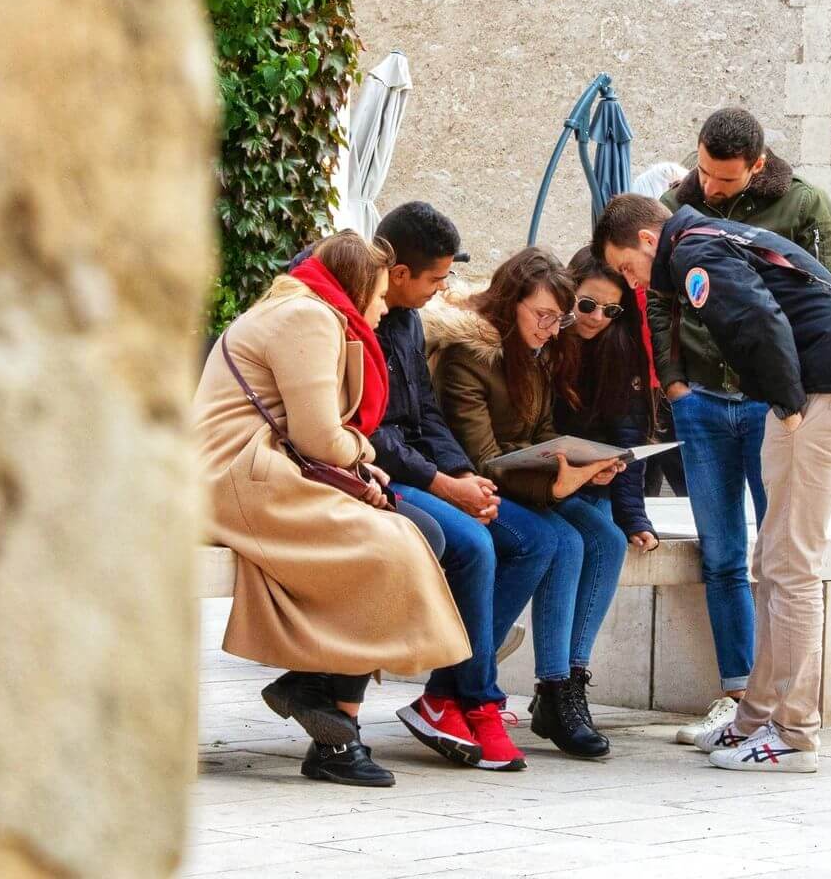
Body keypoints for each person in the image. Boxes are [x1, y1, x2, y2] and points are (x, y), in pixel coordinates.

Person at [594, 194, 831, 773]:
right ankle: (754, 720)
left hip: (820, 399)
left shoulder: (693, 250)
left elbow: (756, 319)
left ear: (649, 241)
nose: (634, 282)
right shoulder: (717, 234)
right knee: (773, 562)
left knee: (793, 568)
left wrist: (788, 405)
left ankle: (795, 735)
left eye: (628, 267)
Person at [193, 231, 470, 788]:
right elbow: (321, 436)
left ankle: (321, 696)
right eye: (378, 291)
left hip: (262, 471)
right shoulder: (309, 318)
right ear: (356, 283)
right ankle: (332, 724)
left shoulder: (306, 309)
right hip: (240, 477)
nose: (385, 303)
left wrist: (357, 466)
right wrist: (363, 458)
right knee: (395, 544)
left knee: (414, 536)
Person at [646, 108, 831, 746]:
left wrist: (791, 400)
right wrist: (673, 380)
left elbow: (827, 297)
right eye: (702, 170)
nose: (708, 188)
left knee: (782, 557)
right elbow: (657, 295)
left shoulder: (805, 206)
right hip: (699, 399)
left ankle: (787, 705)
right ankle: (738, 697)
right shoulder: (678, 202)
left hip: (773, 405)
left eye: (724, 181)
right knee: (723, 555)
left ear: (757, 167)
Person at [367, 202, 559, 773]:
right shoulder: (364, 320)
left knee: (536, 542)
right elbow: (371, 433)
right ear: (398, 273)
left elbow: (426, 415)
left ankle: (445, 694)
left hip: (426, 470)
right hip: (381, 476)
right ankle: (476, 699)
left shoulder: (405, 319)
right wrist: (447, 486)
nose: (443, 288)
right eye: (436, 277)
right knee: (477, 545)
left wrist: (464, 477)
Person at [425, 248, 628, 758]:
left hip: (518, 482)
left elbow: (536, 435)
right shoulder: (469, 354)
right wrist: (556, 484)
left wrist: (584, 462)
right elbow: (481, 459)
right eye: (541, 315)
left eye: (558, 318)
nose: (551, 327)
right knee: (556, 540)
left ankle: (570, 681)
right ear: (510, 301)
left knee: (606, 537)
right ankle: (528, 684)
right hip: (470, 485)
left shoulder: (538, 350)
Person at [556, 247, 659, 552]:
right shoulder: (543, 340)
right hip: (545, 476)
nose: (597, 318)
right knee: (576, 545)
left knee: (608, 541)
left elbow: (629, 436)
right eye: (587, 305)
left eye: (611, 310)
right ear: (567, 291)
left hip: (597, 482)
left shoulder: (621, 348)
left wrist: (633, 517)